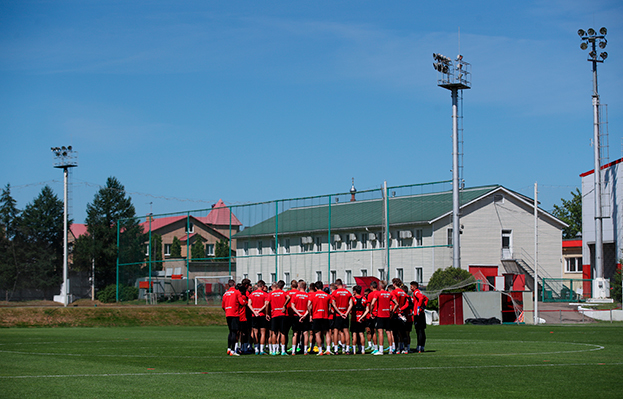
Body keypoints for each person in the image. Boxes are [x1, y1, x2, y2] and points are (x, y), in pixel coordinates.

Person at [367, 280, 398, 355]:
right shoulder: (389, 294)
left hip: (380, 315)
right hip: (387, 315)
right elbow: (396, 304)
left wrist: (371, 312)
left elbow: (373, 303)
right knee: (388, 332)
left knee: (380, 332)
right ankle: (391, 349)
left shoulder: (377, 293)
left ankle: (381, 350)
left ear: (380, 286)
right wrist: (392, 312)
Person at [221, 279, 247, 356]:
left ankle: (229, 348)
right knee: (235, 332)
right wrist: (244, 302)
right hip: (235, 314)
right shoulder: (236, 292)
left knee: (230, 331)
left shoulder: (225, 294)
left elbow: (223, 306)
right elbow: (242, 302)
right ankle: (233, 350)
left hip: (228, 313)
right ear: (234, 284)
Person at [308, 281, 333, 355]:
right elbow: (329, 308)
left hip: (316, 316)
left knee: (317, 333)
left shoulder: (313, 295)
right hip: (325, 316)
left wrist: (310, 314)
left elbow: (308, 305)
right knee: (327, 333)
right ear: (322, 287)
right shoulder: (327, 296)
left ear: (315, 288)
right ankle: (328, 349)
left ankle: (320, 351)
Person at [331, 278, 353, 354]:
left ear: (336, 285)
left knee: (336, 331)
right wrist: (346, 313)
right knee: (346, 331)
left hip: (338, 314)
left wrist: (340, 313)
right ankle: (346, 349)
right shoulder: (348, 292)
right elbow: (351, 304)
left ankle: (336, 349)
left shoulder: (334, 293)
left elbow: (333, 304)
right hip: (345, 315)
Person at [267, 280, 288, 355]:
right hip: (282, 314)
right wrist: (284, 306)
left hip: (274, 314)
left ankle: (273, 350)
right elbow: (288, 297)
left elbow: (267, 303)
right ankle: (282, 351)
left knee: (274, 333)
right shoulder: (283, 293)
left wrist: (267, 313)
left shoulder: (271, 294)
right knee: (282, 333)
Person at [248, 280, 269, 354]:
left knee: (255, 332)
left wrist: (254, 311)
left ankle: (256, 349)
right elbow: (266, 304)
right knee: (263, 333)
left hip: (254, 315)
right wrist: (259, 311)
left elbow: (249, 304)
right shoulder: (265, 294)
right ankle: (261, 350)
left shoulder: (252, 294)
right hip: (262, 315)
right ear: (263, 286)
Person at [290, 280, 310, 355]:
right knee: (305, 333)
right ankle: (305, 350)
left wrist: (298, 314)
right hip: (305, 316)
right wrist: (304, 315)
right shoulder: (307, 295)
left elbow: (292, 306)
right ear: (305, 287)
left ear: (299, 286)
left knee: (295, 333)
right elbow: (309, 307)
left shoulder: (295, 295)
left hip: (296, 316)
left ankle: (293, 351)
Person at [410, 281, 429, 353]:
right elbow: (426, 299)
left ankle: (419, 347)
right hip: (421, 313)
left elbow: (421, 298)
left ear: (414, 287)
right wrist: (423, 307)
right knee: (422, 330)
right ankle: (421, 346)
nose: (410, 288)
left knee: (419, 331)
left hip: (418, 314)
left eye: (411, 287)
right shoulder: (419, 292)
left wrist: (418, 308)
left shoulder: (416, 292)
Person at [350, 285, 367, 354]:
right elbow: (367, 309)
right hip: (361, 319)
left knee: (354, 334)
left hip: (354, 319)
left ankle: (354, 350)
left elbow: (350, 308)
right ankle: (363, 350)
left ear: (354, 291)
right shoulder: (364, 299)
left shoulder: (352, 299)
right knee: (361, 334)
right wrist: (362, 317)